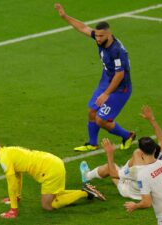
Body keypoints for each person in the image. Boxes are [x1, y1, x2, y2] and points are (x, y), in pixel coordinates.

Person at [54, 3, 135, 151]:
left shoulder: (117, 51)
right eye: (96, 35)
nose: (97, 38)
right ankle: (93, 143)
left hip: (120, 89)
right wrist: (65, 17)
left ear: (109, 34)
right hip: (106, 81)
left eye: (101, 36)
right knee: (91, 111)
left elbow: (120, 74)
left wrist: (106, 94)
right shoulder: (101, 39)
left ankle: (127, 135)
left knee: (100, 120)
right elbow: (83, 27)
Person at [0, 138, 106, 219]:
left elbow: (12, 183)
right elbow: (17, 176)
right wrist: (17, 196)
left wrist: (13, 209)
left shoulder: (4, 159)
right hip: (53, 161)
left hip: (50, 171)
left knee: (47, 206)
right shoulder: (8, 150)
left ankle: (84, 192)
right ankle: (86, 190)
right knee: (55, 195)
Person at [80, 106, 162, 200]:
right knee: (136, 154)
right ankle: (124, 170)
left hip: (130, 192)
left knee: (110, 167)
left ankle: (86, 176)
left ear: (143, 153)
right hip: (152, 191)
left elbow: (113, 174)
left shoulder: (137, 170)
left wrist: (109, 154)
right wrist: (152, 120)